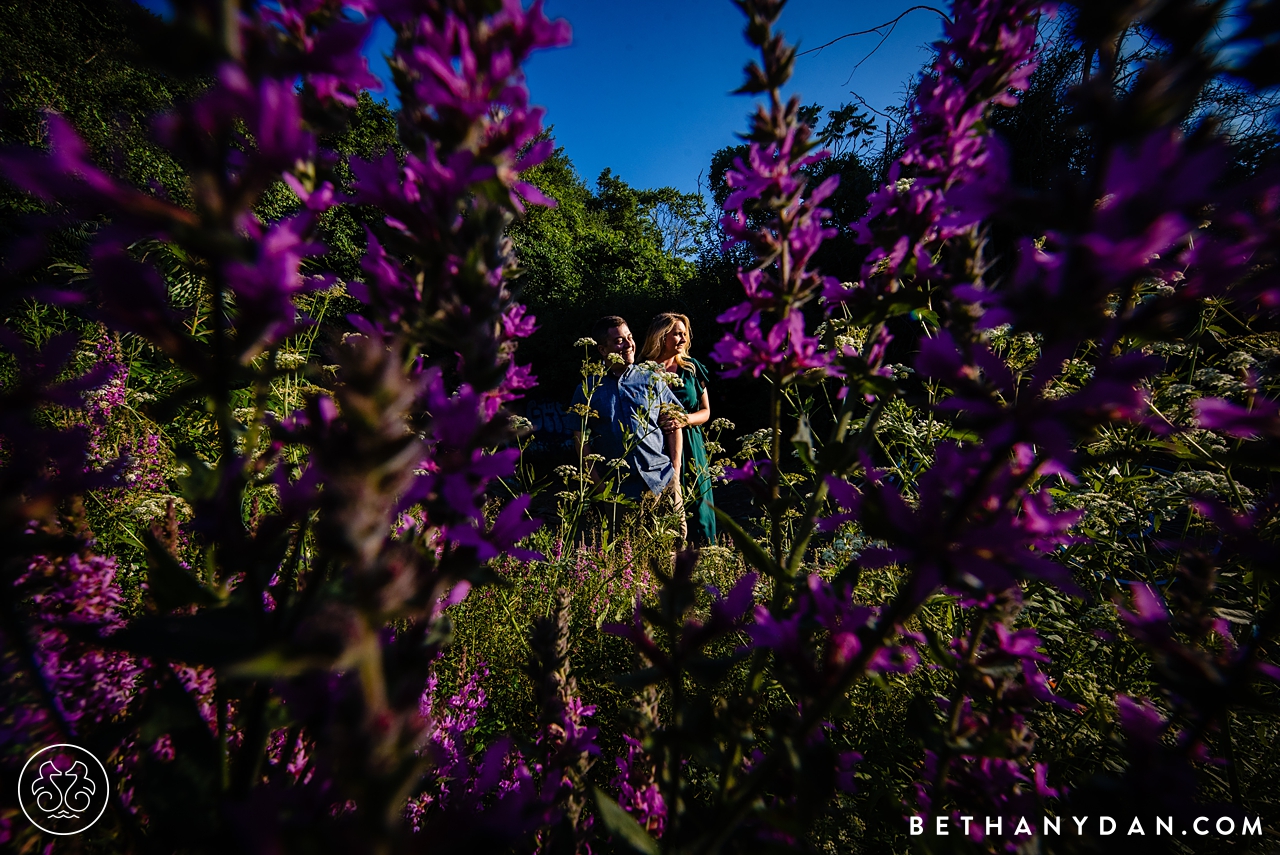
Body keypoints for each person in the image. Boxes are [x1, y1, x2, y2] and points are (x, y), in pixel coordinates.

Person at [570, 315, 685, 536]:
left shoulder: (651, 377)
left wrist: (675, 469)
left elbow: (674, 422)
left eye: (629, 337)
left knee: (674, 549)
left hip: (661, 479)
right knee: (628, 554)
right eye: (619, 341)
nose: (629, 344)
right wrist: (599, 486)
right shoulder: (589, 389)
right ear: (603, 350)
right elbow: (580, 440)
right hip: (619, 489)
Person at [640, 312, 716, 545]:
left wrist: (685, 420)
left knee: (699, 507)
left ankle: (706, 558)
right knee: (664, 509)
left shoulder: (692, 368)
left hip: (692, 446)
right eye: (676, 334)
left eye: (684, 334)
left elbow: (706, 412)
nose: (682, 339)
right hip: (656, 448)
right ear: (660, 337)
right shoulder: (643, 371)